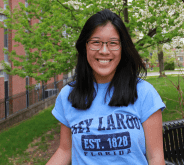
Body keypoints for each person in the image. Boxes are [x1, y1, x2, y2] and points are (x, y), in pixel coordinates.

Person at [47, 9, 166, 165]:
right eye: (96, 42)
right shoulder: (68, 95)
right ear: (85, 47)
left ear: (123, 48)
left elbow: (155, 158)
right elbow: (64, 150)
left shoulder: (144, 93)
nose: (104, 51)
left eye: (113, 43)